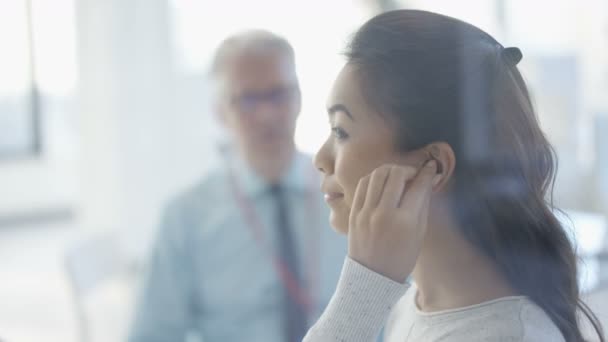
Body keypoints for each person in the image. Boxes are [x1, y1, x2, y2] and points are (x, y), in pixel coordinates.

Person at [304, 10, 605, 342]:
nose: (320, 158)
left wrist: (364, 287)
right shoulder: (412, 304)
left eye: (341, 131)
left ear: (434, 165)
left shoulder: (510, 336)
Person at [128, 30, 346, 342]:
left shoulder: (349, 191)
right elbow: (153, 334)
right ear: (220, 113)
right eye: (248, 99)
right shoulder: (185, 217)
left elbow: (396, 306)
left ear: (298, 98)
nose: (267, 114)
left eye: (278, 94)